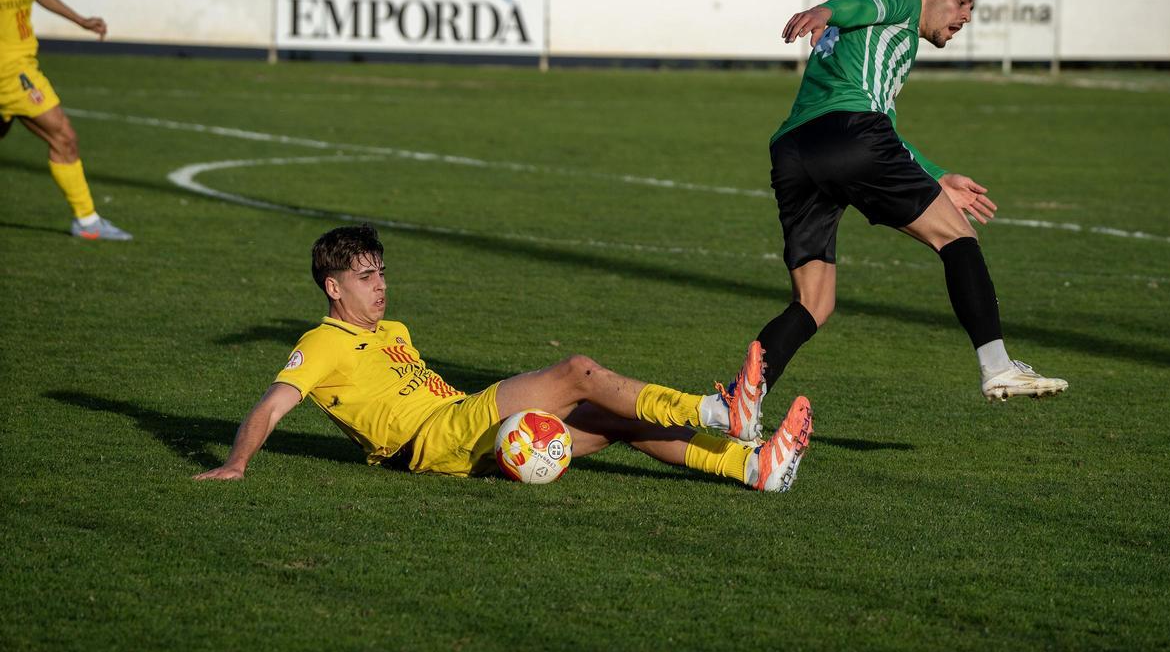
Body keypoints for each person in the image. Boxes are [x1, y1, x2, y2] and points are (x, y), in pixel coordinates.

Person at [715, 0, 1066, 431]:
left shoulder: (881, 46)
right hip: (851, 133)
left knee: (814, 302)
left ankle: (739, 401)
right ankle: (997, 365)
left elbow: (884, 126)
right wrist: (826, 10)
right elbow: (865, 1)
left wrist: (936, 174)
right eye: (961, 1)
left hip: (795, 153)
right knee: (956, 235)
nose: (965, 16)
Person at [193, 224, 813, 492]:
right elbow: (273, 404)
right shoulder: (321, 342)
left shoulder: (394, 329)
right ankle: (720, 409)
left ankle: (752, 468)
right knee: (577, 373)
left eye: (382, 272)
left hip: (466, 425)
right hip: (436, 441)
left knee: (619, 422)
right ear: (334, 288)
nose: (380, 286)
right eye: (364, 277)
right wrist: (237, 463)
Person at [0, 0, 131, 240]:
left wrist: (79, 20)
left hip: (23, 56)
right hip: (8, 67)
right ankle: (88, 222)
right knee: (64, 135)